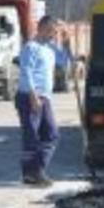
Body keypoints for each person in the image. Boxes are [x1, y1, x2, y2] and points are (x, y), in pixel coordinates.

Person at [15, 16, 61, 187]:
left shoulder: (50, 50)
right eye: (52, 31)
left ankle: (36, 170)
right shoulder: (30, 47)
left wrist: (68, 44)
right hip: (29, 96)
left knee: (51, 135)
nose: (54, 35)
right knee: (32, 136)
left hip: (45, 97)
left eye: (56, 32)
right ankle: (31, 174)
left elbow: (65, 60)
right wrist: (33, 95)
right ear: (42, 28)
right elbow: (26, 71)